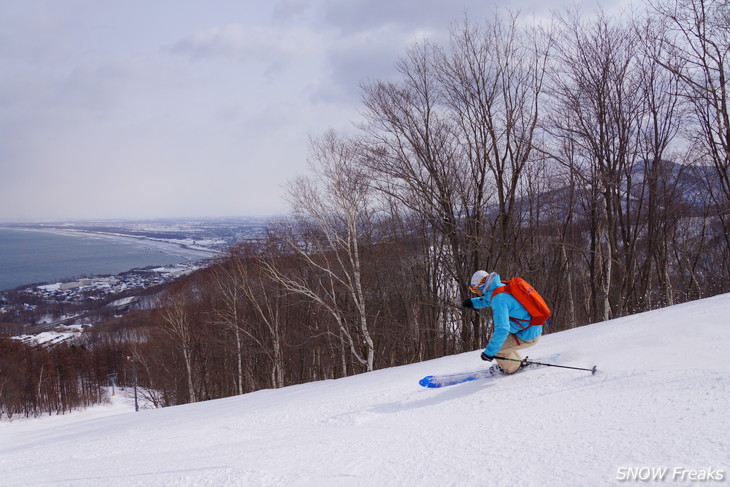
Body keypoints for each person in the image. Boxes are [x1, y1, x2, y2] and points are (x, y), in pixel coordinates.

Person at [462, 270, 543, 374]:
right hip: (531, 328)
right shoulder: (500, 287)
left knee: (497, 350)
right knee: (500, 343)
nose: (475, 292)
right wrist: (473, 302)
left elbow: (503, 329)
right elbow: (488, 299)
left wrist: (489, 352)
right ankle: (517, 363)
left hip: (528, 335)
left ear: (481, 286)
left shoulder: (499, 299)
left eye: (474, 289)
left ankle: (515, 368)